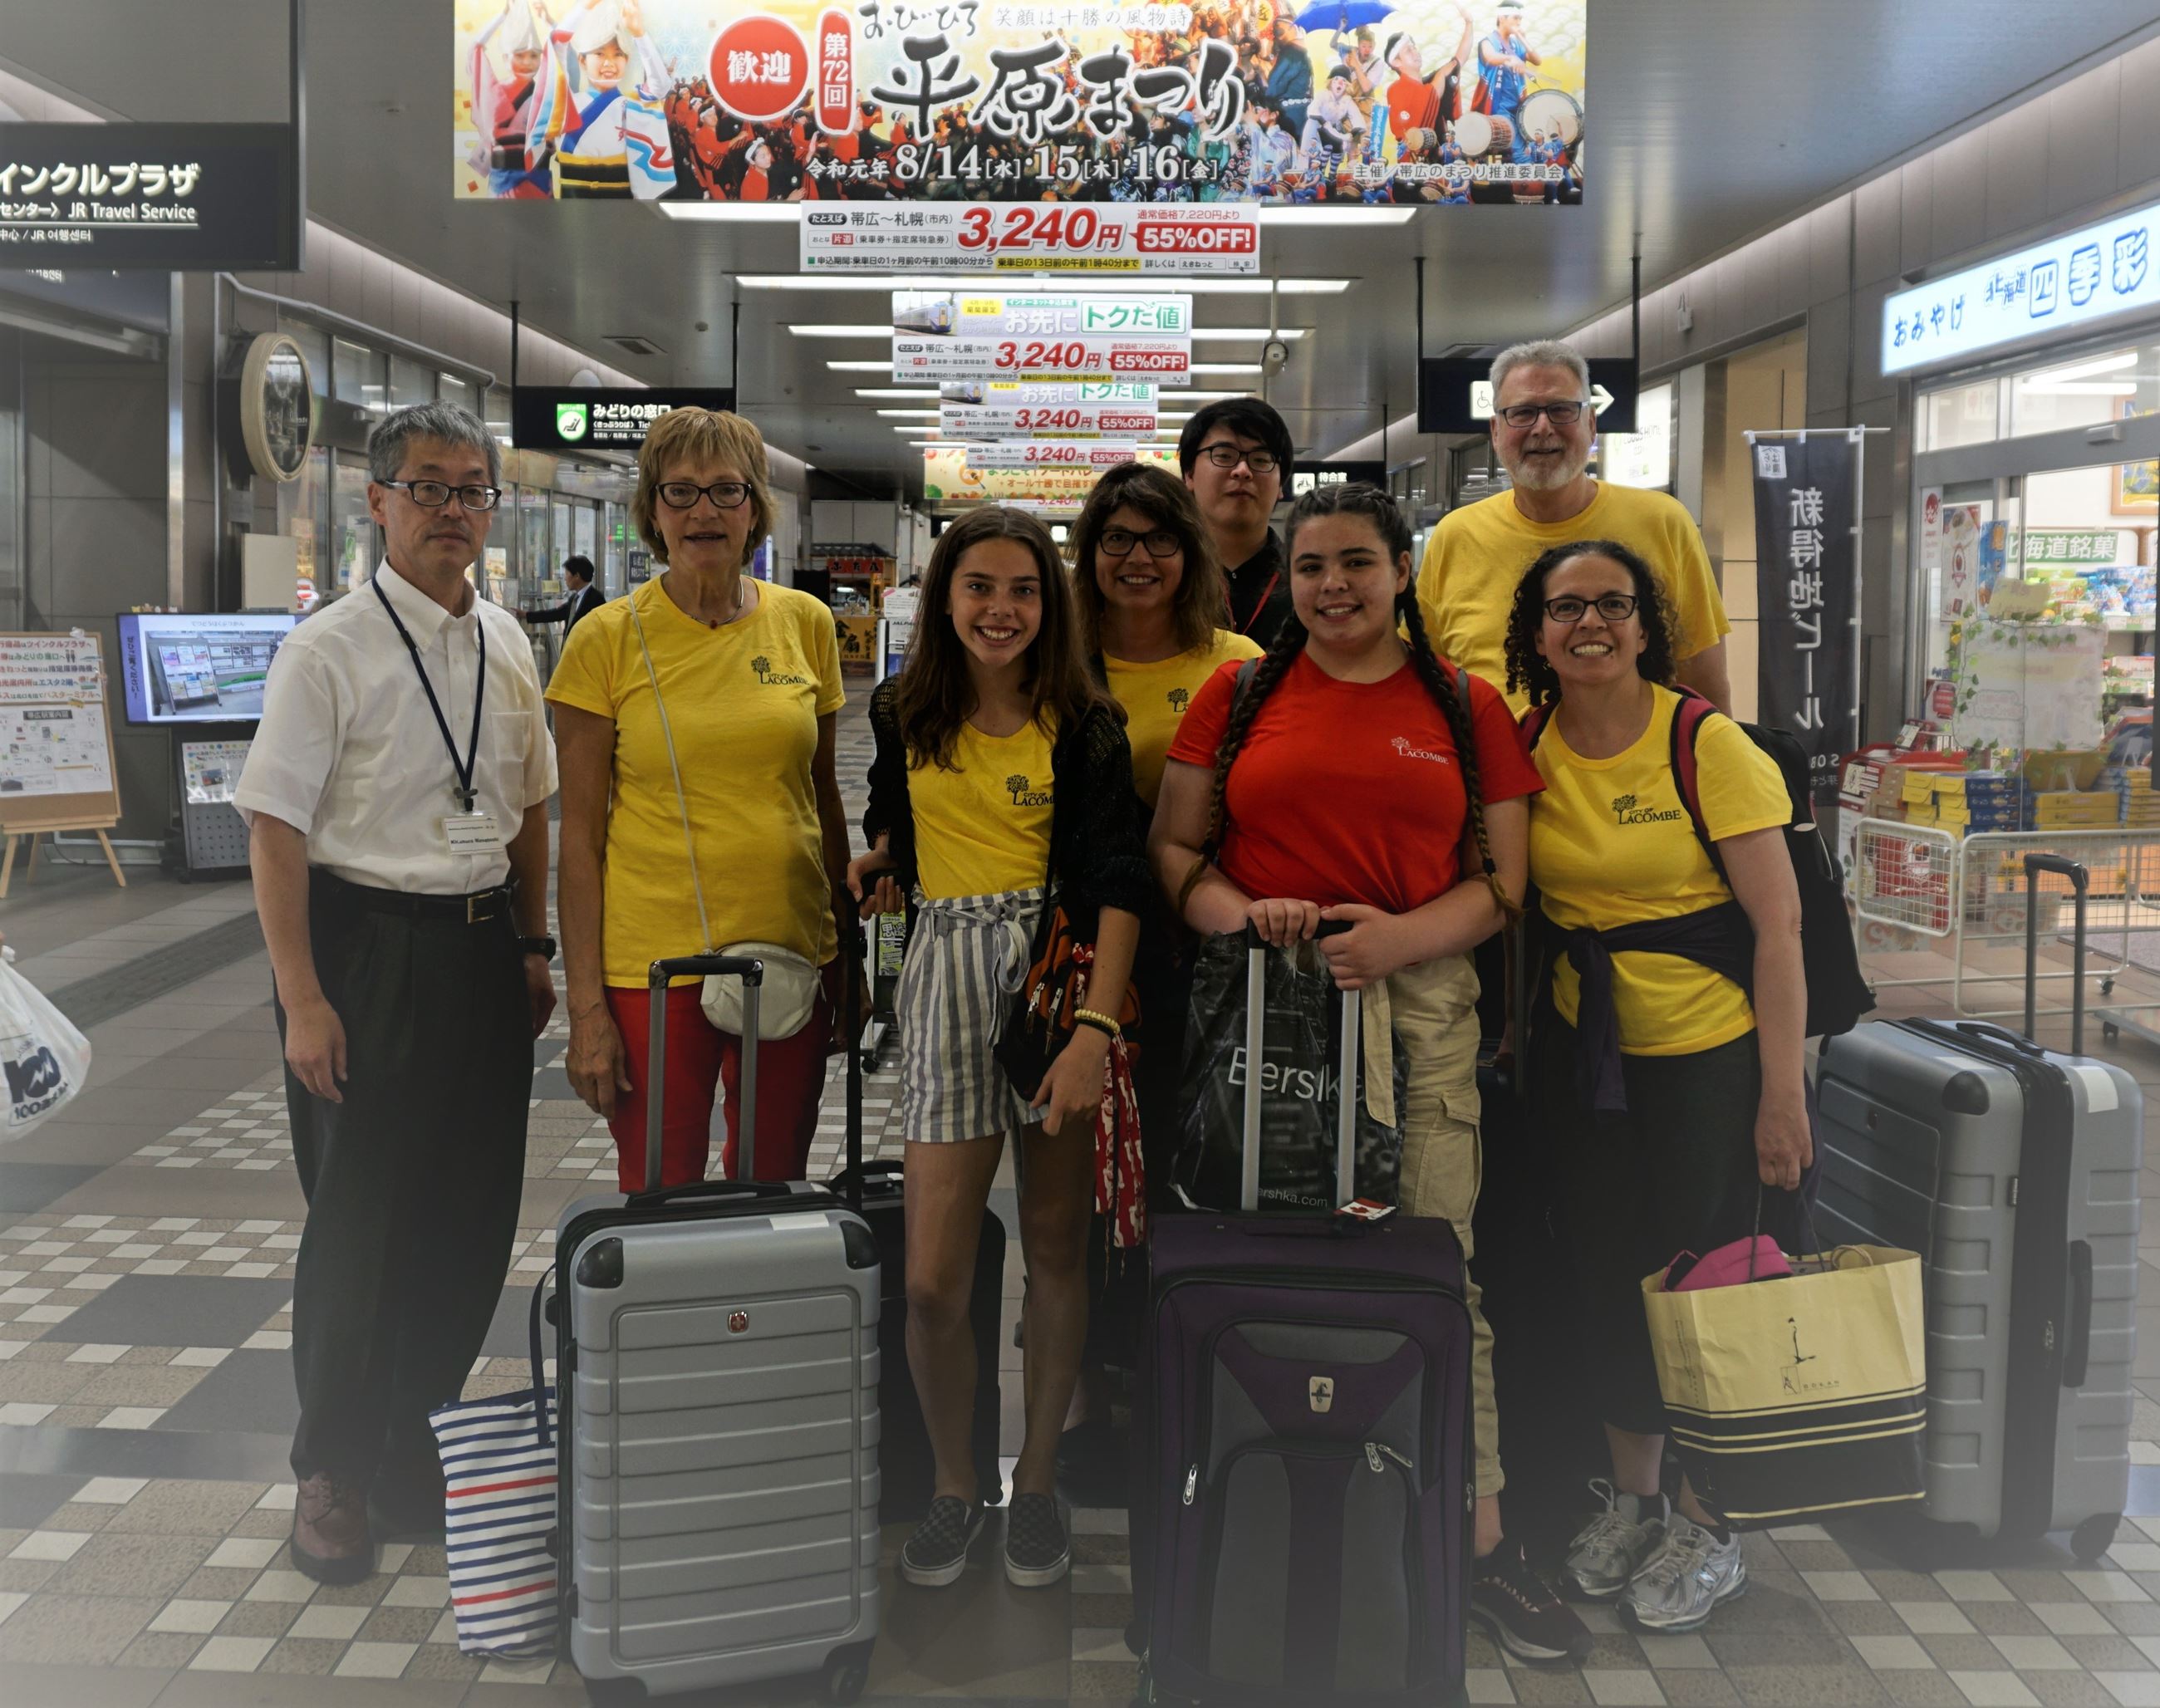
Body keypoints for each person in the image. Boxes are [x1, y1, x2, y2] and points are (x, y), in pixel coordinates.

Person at [1149, 483, 1589, 1666]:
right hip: (1265, 1015)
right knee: (1264, 1260)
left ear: (1404, 572)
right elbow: (1177, 854)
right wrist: (1246, 914)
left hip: (1423, 1012)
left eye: (1357, 563)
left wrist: (1396, 940)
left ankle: (1476, 1541)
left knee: (1439, 1273)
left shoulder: (1462, 704)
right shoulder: (1238, 695)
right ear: (1285, 580)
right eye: (1310, 569)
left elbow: (1507, 881)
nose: (1333, 587)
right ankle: (1259, 1506)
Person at [234, 402, 558, 1583]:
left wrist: (535, 947)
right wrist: (302, 997)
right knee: (361, 1225)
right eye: (429, 488)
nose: (454, 511)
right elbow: (275, 829)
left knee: (469, 1219)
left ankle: (415, 1439)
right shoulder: (328, 648)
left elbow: (528, 807)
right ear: (375, 503)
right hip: (364, 948)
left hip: (481, 954)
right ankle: (331, 1468)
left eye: (473, 490)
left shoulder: (511, 642)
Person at [1501, 539, 1808, 1635]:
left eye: (1613, 606)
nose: (1590, 623)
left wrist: (1784, 1095)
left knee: (1709, 1291)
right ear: (1534, 631)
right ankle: (1634, 1499)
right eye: (1566, 607)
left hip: (1710, 1061)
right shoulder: (1526, 742)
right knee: (1608, 1277)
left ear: (1647, 625)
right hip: (1592, 1062)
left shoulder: (1704, 744)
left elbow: (1779, 928)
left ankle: (1706, 1518)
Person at [851, 506, 1148, 1593]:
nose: (1001, 610)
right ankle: (952, 1483)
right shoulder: (902, 710)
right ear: (945, 600)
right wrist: (884, 860)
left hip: (1056, 980)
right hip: (942, 975)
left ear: (1050, 604)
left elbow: (1119, 884)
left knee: (1057, 1247)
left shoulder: (1086, 722)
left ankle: (1036, 1480)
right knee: (931, 1280)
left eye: (1023, 590)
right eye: (979, 587)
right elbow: (897, 816)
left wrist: (1093, 1035)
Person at [547, 408, 852, 1191]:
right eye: (680, 492)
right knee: (659, 1187)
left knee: (772, 1177)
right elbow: (576, 841)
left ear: (755, 508)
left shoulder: (805, 624)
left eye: (726, 490)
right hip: (654, 967)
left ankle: (759, 1318)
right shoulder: (607, 639)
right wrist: (585, 1012)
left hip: (788, 952)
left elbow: (821, 799)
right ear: (652, 511)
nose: (704, 512)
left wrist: (844, 951)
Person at [1417, 339, 1733, 714]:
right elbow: (1427, 675)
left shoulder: (1663, 522)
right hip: (1492, 768)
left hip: (1639, 770)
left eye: (1562, 410)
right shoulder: (1456, 536)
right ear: (1496, 431)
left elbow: (1703, 678)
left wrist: (1716, 760)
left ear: (1591, 423)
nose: (1543, 428)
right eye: (1522, 413)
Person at [1179, 397, 1296, 647]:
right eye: (1224, 455)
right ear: (1189, 474)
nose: (1242, 470)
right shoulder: (1167, 575)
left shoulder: (1306, 578)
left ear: (1281, 484)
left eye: (1261, 459)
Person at [529, 0, 675, 199]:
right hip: (573, 205)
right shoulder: (566, 103)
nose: (609, 63)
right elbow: (557, 44)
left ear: (627, 60)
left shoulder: (632, 105)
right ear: (582, 60)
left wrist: (639, 33)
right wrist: (585, 7)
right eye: (599, 53)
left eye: (618, 55)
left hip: (621, 208)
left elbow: (661, 86)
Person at [469, 0, 553, 198]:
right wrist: (502, 15)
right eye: (519, 55)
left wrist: (548, 21)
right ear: (506, 58)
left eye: (534, 56)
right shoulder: (492, 92)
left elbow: (566, 57)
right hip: (502, 182)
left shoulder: (546, 92)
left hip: (538, 180)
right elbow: (475, 48)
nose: (527, 62)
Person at [1383, 6, 1475, 154]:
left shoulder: (1430, 82)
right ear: (1396, 62)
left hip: (1441, 157)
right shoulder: (1396, 89)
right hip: (1414, 165)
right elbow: (1405, 128)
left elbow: (1458, 60)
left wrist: (1469, 23)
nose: (1415, 52)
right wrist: (1440, 77)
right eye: (1408, 50)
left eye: (1414, 48)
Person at [1476, 0, 1542, 135]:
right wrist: (1509, 58)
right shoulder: (1488, 41)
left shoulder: (1516, 44)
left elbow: (1537, 60)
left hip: (1518, 104)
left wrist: (1523, 38)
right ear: (1502, 18)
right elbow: (1491, 56)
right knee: (1517, 149)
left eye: (1520, 19)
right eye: (1515, 18)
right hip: (1499, 106)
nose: (1519, 22)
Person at [520, 553, 603, 633]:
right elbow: (555, 614)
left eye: (567, 574)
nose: (565, 578)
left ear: (577, 576)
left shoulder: (596, 600)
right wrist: (526, 615)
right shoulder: (574, 599)